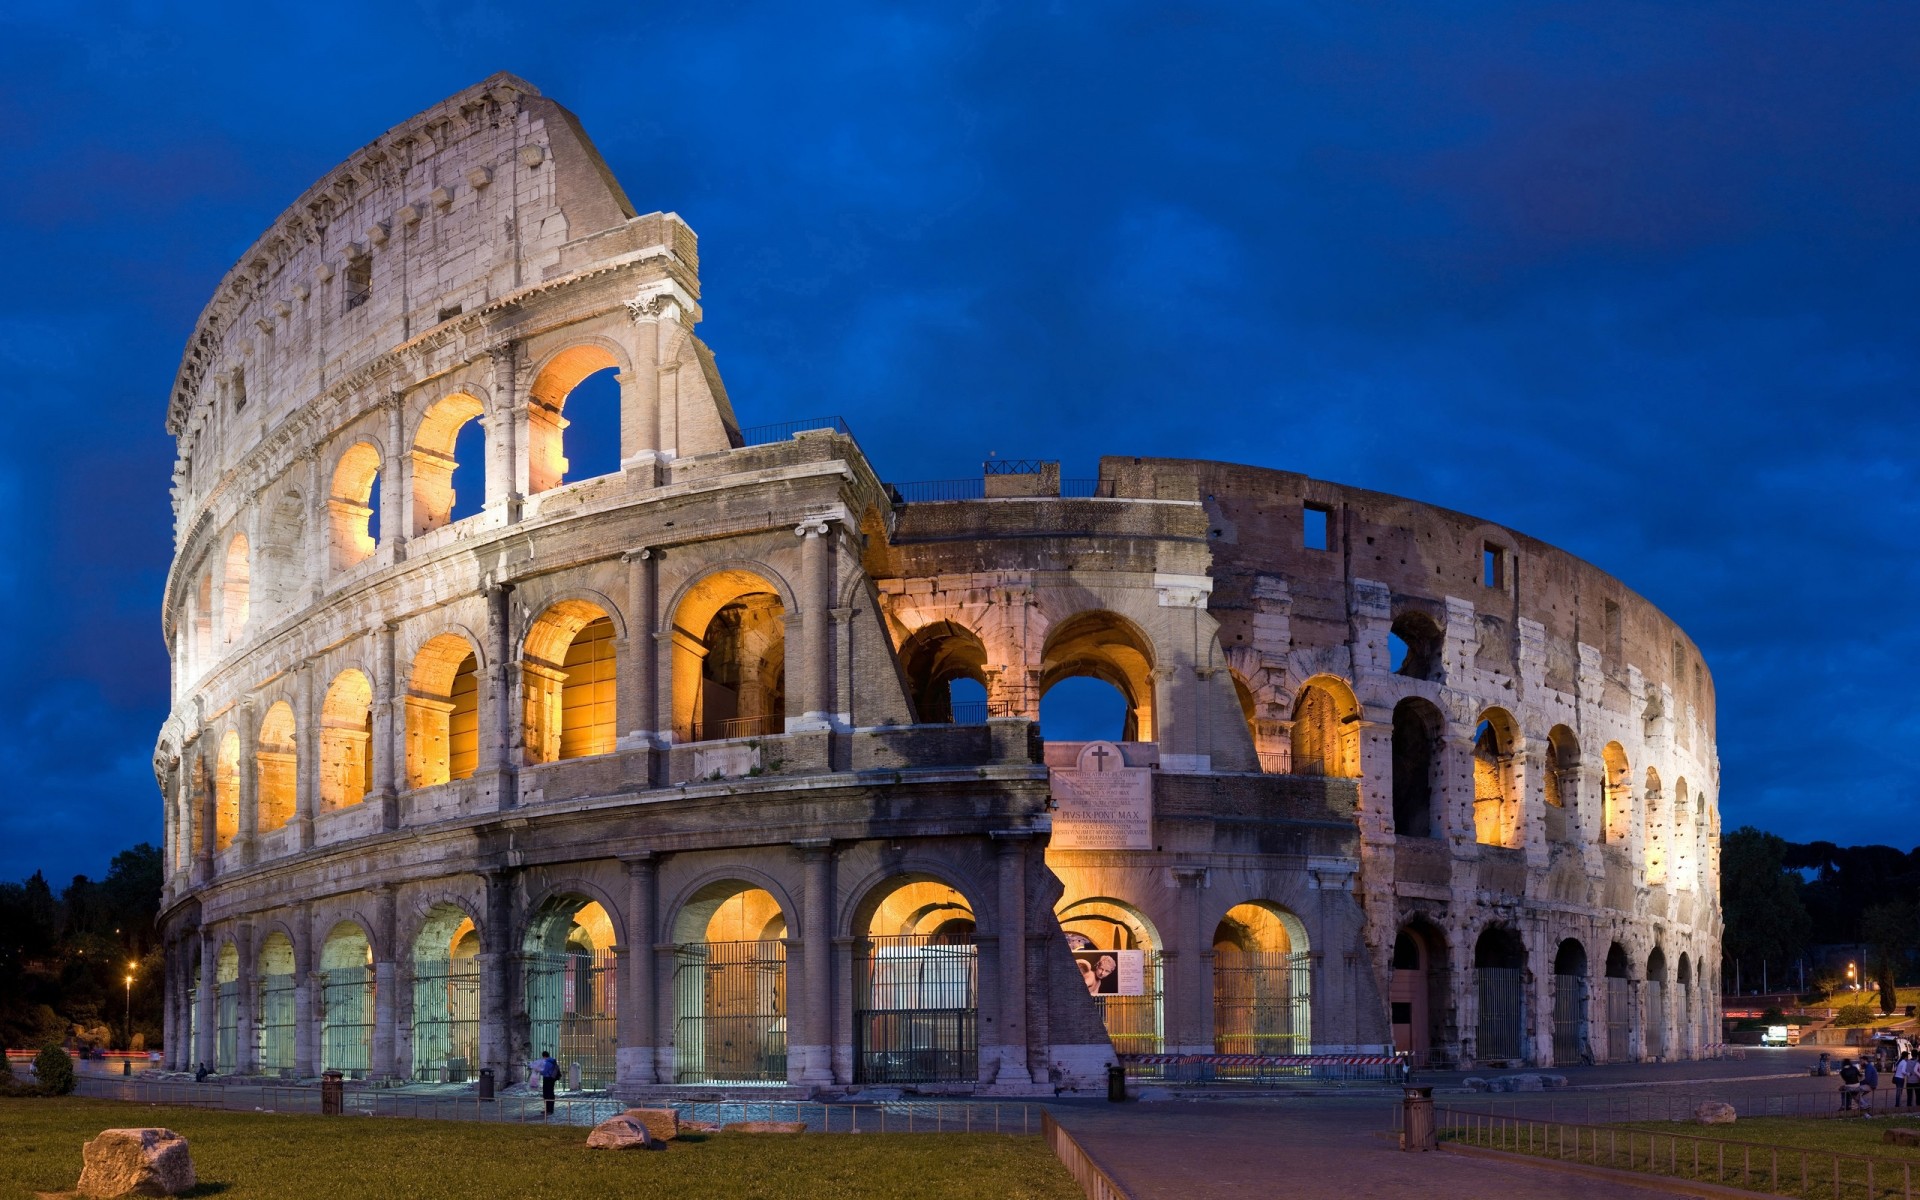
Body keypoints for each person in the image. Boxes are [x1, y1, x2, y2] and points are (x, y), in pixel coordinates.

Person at [536, 1051, 559, 1116]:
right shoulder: (552, 1061)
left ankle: (549, 1110)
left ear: (544, 1056)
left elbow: (543, 1071)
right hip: (551, 1079)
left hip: (547, 1079)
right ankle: (549, 1109)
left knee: (547, 1094)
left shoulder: (547, 1062)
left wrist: (538, 1070)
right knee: (550, 1094)